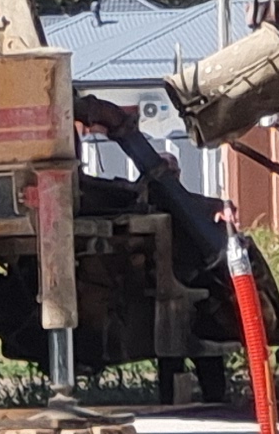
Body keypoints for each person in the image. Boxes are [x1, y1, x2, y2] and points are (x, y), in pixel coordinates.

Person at [74, 90, 239, 402]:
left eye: (171, 175)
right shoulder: (155, 206)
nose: (167, 182)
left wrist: (220, 208)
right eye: (165, 174)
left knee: (194, 351)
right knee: (175, 354)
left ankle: (210, 399)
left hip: (190, 288)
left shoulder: (194, 209)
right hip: (160, 290)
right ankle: (194, 398)